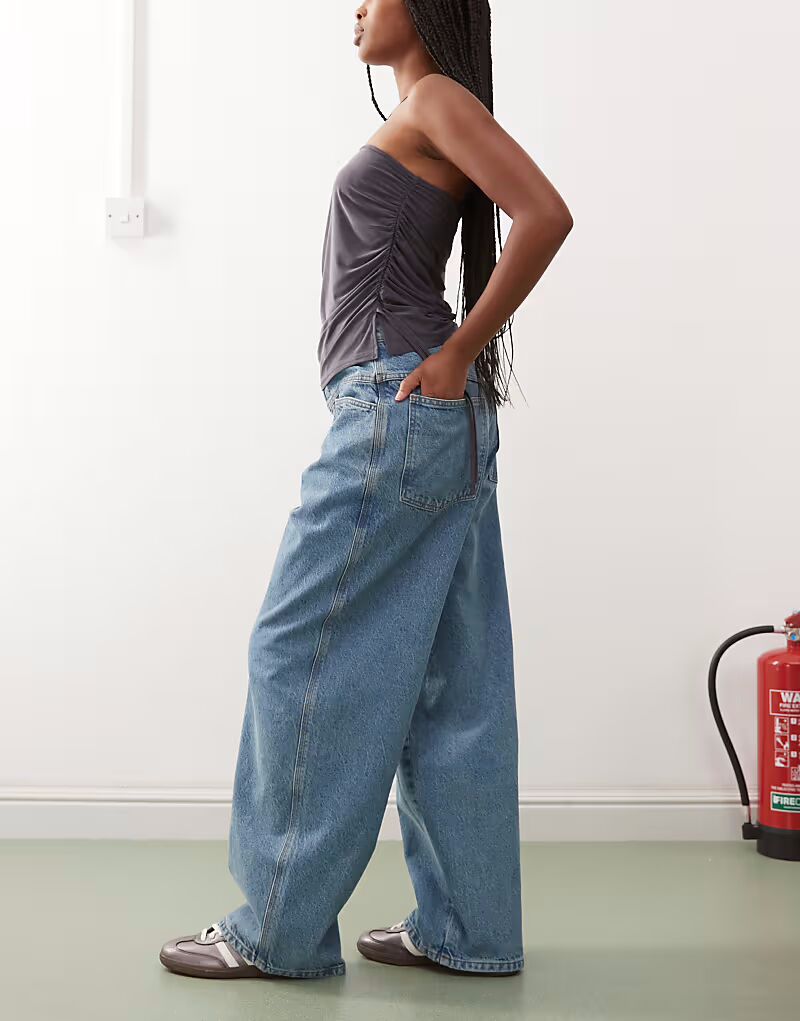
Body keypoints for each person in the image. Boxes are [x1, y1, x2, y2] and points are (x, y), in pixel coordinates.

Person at [159, 0, 572, 982]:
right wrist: (453, 364)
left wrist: (458, 349)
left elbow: (546, 215)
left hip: (399, 407)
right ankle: (468, 930)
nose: (354, 7)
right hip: (434, 420)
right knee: (453, 682)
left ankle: (274, 932)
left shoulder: (433, 99)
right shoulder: (432, 108)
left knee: (294, 650)